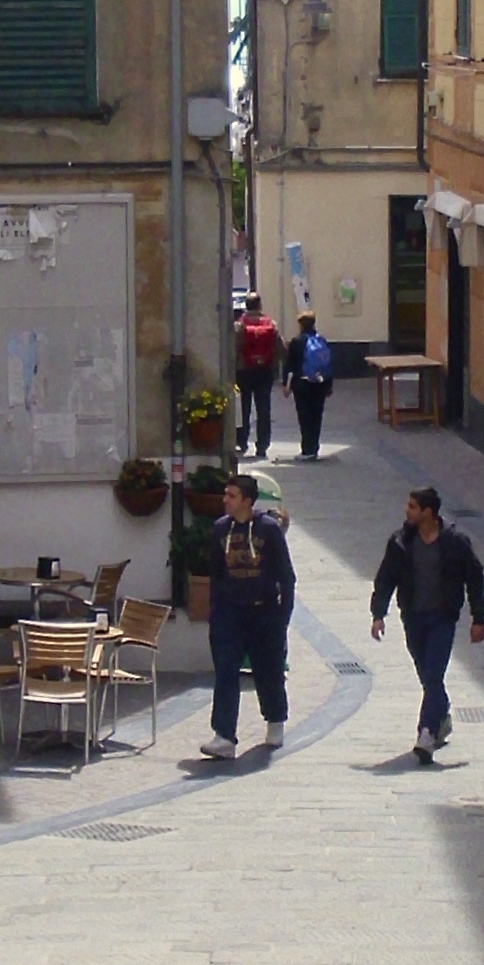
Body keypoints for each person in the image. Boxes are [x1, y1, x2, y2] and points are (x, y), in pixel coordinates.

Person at [369, 485, 484, 761]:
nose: (406, 511)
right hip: (412, 617)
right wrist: (378, 614)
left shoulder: (455, 542)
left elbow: (474, 577)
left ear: (428, 512)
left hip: (442, 617)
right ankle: (442, 712)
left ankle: (426, 732)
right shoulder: (400, 542)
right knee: (426, 674)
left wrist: (478, 617)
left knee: (434, 673)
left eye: (412, 506)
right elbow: (386, 578)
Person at [202, 463, 294, 758]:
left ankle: (275, 718)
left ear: (247, 500)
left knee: (268, 670)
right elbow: (214, 573)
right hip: (229, 613)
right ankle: (224, 734)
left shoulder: (268, 530)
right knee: (226, 671)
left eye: (232, 495)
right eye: (225, 494)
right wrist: (215, 611)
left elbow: (286, 576)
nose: (225, 500)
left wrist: (282, 617)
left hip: (263, 611)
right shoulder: (220, 530)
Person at [234, 291, 281, 457]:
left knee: (243, 408)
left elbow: (234, 347)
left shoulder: (240, 325)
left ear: (246, 305)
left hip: (243, 370)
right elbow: (279, 346)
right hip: (264, 370)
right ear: (260, 304)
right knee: (263, 408)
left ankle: (241, 441)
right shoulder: (270, 323)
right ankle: (262, 445)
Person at [285, 311, 335, 460]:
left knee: (304, 416)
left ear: (300, 325)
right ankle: (314, 447)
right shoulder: (322, 341)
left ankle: (307, 450)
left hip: (302, 383)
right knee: (316, 416)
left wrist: (286, 385)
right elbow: (328, 364)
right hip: (320, 383)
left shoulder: (297, 342)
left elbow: (290, 366)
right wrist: (329, 384)